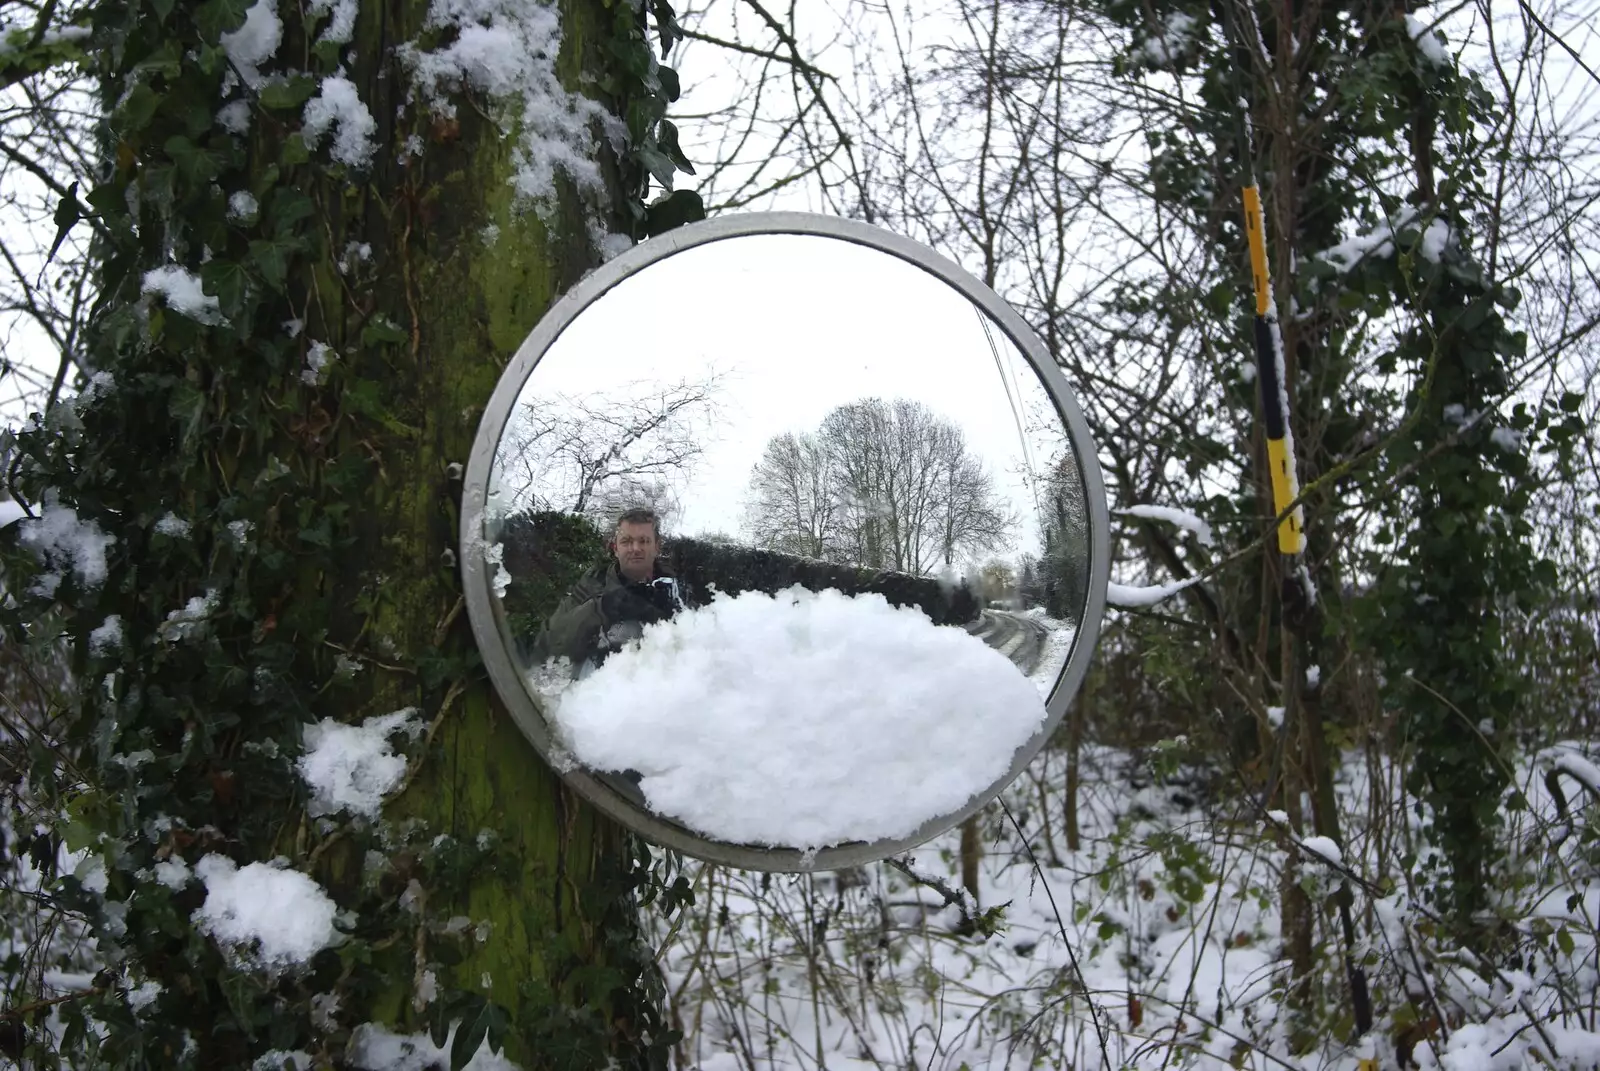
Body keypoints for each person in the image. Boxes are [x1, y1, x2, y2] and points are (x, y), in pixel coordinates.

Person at [536, 508, 688, 678]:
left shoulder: (678, 589)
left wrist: (669, 617)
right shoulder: (590, 586)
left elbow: (698, 650)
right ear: (615, 548)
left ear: (657, 547)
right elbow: (547, 647)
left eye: (644, 541)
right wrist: (600, 608)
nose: (635, 548)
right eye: (626, 541)